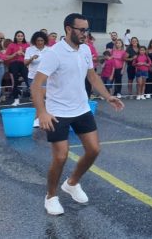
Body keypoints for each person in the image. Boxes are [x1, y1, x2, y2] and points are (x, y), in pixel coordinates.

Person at [31, 13, 124, 216]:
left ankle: (71, 183)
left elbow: (92, 76)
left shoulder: (85, 50)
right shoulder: (54, 53)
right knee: (61, 156)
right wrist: (42, 112)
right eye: (81, 30)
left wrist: (108, 96)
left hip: (82, 109)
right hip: (58, 113)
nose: (85, 34)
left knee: (93, 150)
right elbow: (36, 85)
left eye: (87, 29)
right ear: (68, 29)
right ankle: (51, 197)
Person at [5, 30, 30, 104]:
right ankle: (16, 99)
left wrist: (22, 53)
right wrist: (15, 54)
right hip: (14, 63)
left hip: (23, 64)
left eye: (21, 36)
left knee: (27, 79)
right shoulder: (11, 45)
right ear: (15, 37)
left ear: (24, 37)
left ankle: (33, 96)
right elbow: (7, 57)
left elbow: (29, 57)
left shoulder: (27, 45)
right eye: (18, 36)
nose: (20, 37)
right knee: (15, 81)